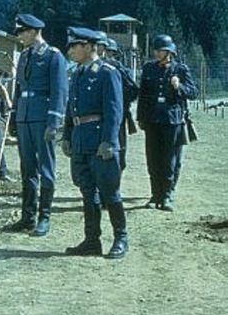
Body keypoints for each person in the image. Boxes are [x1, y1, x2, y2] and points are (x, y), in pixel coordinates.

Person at [62, 27, 128, 259]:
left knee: (110, 192)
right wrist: (67, 135)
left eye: (75, 46)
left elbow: (114, 110)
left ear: (90, 47)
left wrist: (109, 141)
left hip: (100, 141)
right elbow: (71, 108)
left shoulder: (107, 73)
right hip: (81, 140)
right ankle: (92, 241)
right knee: (88, 193)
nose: (70, 51)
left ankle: (121, 238)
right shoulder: (77, 73)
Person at [9, 13, 68, 237]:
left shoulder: (53, 55)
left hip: (43, 117)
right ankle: (28, 216)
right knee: (27, 168)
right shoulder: (24, 55)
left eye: (23, 32)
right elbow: (18, 88)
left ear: (34, 32)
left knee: (46, 168)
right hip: (25, 117)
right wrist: (14, 116)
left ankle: (44, 217)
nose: (20, 36)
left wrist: (54, 122)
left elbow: (59, 91)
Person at [137, 34, 198, 211]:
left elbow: (193, 92)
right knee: (153, 159)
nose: (157, 53)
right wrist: (140, 117)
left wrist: (179, 86)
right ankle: (155, 195)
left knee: (170, 160)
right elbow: (143, 95)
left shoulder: (180, 69)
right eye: (155, 50)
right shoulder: (149, 68)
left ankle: (167, 195)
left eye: (160, 50)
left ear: (169, 52)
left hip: (173, 121)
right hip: (152, 120)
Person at [100, 37, 139, 172]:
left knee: (117, 147)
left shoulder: (118, 69)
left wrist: (119, 102)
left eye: (108, 51)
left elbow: (133, 91)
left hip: (116, 114)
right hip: (101, 114)